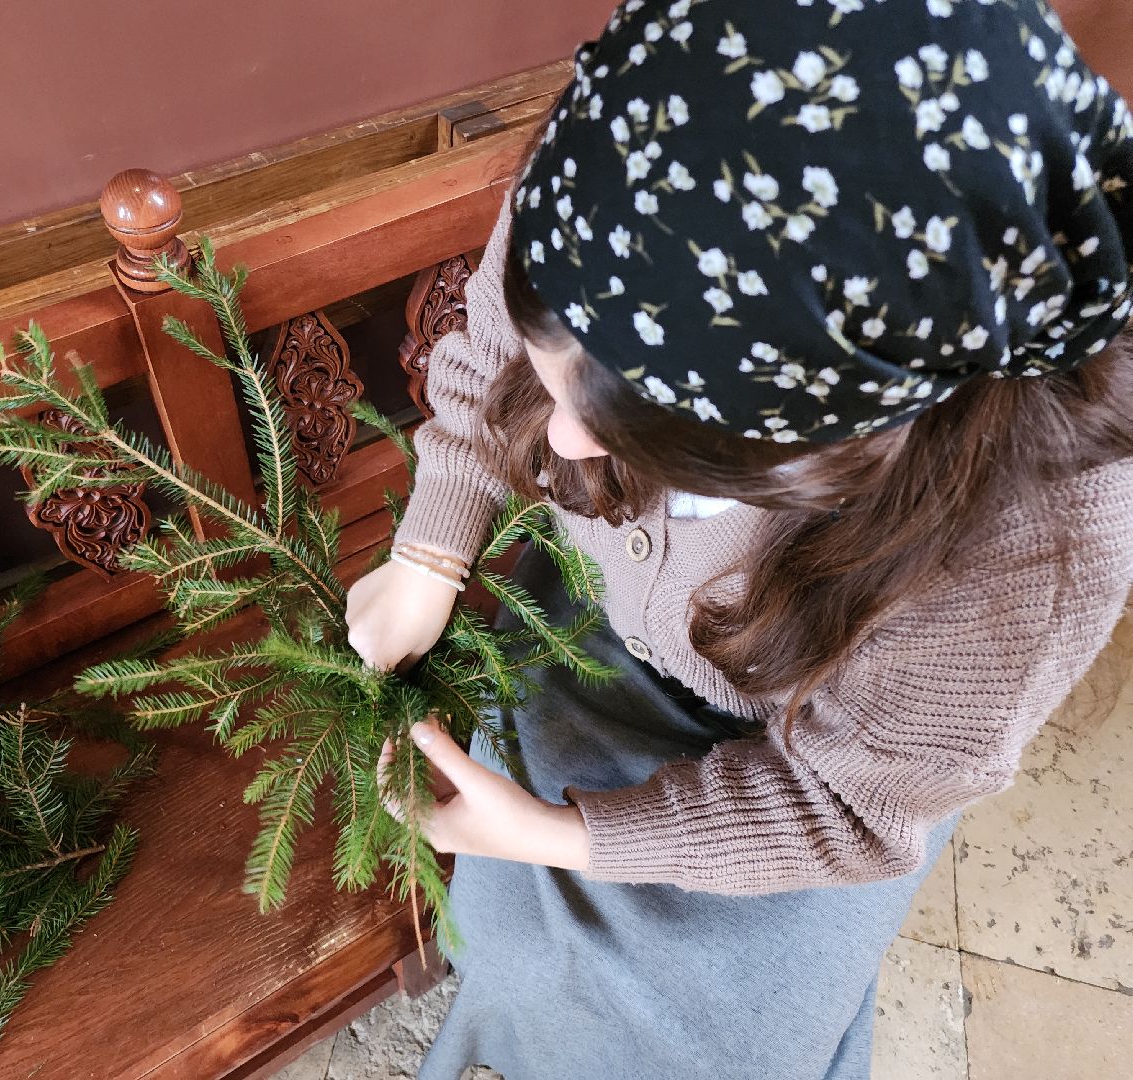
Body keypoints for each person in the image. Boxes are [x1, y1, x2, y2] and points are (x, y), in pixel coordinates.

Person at [344, 2, 1133, 1078]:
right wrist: (436, 543)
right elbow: (498, 343)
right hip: (601, 634)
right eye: (557, 356)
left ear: (837, 445)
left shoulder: (1035, 537)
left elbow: (850, 802)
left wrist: (570, 840)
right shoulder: (645, 159)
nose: (563, 445)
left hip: (823, 763)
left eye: (637, 430)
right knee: (511, 948)